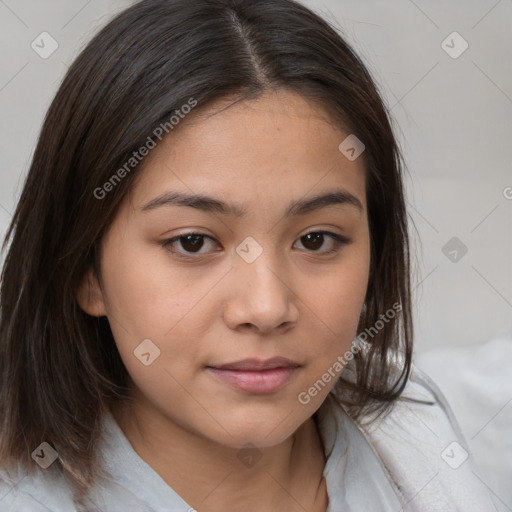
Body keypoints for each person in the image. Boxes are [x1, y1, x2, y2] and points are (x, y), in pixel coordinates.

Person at [0, 0, 496, 510]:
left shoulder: (419, 428)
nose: (266, 308)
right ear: (85, 270)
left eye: (316, 239)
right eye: (192, 242)